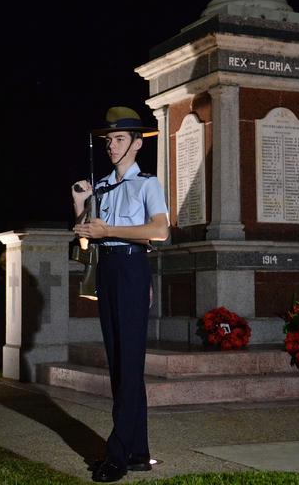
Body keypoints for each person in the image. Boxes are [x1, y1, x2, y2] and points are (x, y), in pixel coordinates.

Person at [72, 106, 169, 482]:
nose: (110, 146)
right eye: (108, 140)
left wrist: (108, 229)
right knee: (120, 364)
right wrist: (81, 206)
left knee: (129, 364)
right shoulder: (102, 186)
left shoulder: (147, 184)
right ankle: (139, 452)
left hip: (131, 267)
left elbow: (159, 231)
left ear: (137, 143)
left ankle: (116, 455)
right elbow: (84, 237)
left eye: (118, 139)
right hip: (107, 269)